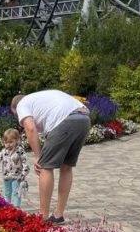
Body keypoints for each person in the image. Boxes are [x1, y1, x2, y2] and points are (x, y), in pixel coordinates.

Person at [11, 90, 91, 224]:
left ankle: (43, 217)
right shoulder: (40, 98)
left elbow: (30, 129)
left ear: (15, 107)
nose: (20, 120)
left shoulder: (21, 104)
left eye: (16, 115)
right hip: (84, 119)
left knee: (45, 167)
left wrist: (38, 156)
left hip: (65, 121)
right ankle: (58, 215)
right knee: (66, 167)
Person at [0, 128, 30, 207]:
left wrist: (23, 174)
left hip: (17, 177)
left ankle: (16, 208)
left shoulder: (20, 151)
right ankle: (7, 207)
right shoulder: (4, 151)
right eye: (6, 142)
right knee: (7, 193)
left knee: (16, 192)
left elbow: (25, 162)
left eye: (11, 142)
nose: (8, 144)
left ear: (17, 140)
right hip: (6, 176)